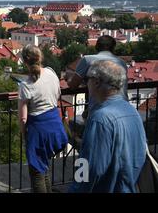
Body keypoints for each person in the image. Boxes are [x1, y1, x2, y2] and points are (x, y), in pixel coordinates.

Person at [69, 60, 146, 193]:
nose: (86, 83)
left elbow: (89, 167)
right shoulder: (132, 111)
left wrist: (75, 190)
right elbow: (140, 155)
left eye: (87, 79)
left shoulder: (100, 118)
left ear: (97, 82)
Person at [18, 45, 68, 193]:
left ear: (24, 61)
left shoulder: (25, 85)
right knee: (43, 165)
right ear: (40, 58)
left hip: (38, 130)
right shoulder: (52, 73)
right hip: (54, 124)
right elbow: (58, 94)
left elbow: (23, 117)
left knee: (37, 172)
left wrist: (23, 134)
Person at [66, 35, 128, 113]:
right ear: (113, 48)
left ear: (96, 47)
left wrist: (69, 76)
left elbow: (73, 85)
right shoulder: (121, 63)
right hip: (123, 108)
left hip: (100, 110)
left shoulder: (87, 60)